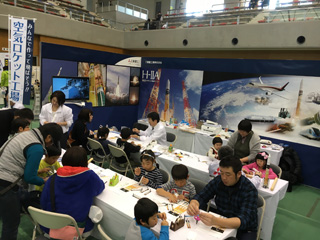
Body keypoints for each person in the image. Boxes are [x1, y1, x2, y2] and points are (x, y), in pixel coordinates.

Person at [0, 123, 63, 240]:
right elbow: (29, 178)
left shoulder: (26, 135)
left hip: (4, 176)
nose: (50, 145)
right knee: (11, 225)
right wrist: (44, 180)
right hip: (6, 184)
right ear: (48, 137)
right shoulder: (37, 148)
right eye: (52, 142)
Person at [187, 156, 258, 240]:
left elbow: (243, 220)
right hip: (222, 219)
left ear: (239, 174)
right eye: (222, 173)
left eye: (228, 174)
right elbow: (202, 195)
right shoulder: (218, 181)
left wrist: (215, 221)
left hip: (244, 229)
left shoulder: (249, 190)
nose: (224, 177)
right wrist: (194, 203)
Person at [41, 146, 105, 235]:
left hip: (51, 226)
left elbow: (43, 202)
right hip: (78, 228)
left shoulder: (53, 178)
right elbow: (100, 188)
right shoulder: (89, 176)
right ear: (84, 162)